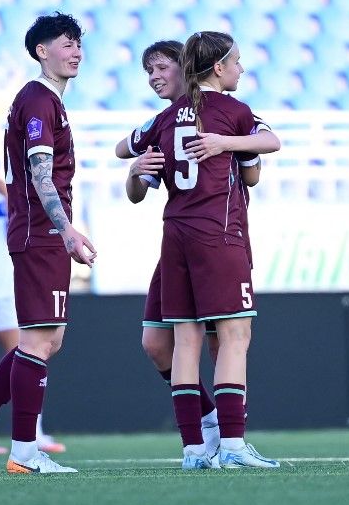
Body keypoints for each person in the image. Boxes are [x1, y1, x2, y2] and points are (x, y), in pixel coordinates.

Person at [117, 31, 280, 469]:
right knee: (234, 337)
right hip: (219, 233)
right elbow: (265, 155)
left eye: (160, 68)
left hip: (175, 234)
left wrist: (136, 161)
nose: (242, 69)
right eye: (238, 61)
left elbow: (123, 146)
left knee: (185, 341)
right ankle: (231, 445)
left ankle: (193, 449)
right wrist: (229, 143)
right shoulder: (233, 110)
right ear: (219, 67)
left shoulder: (166, 119)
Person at [0, 12, 96, 475]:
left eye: (78, 43)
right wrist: (65, 228)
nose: (75, 50)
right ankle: (24, 454)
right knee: (38, 340)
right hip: (40, 232)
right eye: (65, 43)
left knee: (47, 338)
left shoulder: (46, 100)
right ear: (41, 51)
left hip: (40, 232)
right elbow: (40, 173)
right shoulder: (38, 100)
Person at [0, 141, 66, 454]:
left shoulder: (5, 192)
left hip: (7, 281)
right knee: (28, 350)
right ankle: (22, 438)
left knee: (34, 348)